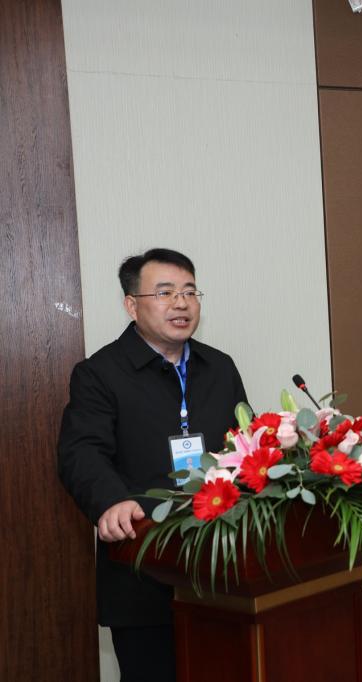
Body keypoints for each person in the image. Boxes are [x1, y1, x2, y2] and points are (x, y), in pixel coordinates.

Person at [58, 248, 247, 682]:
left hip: (221, 568)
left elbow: (244, 443)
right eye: (165, 292)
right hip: (143, 564)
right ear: (132, 304)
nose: (181, 303)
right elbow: (81, 451)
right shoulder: (100, 373)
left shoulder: (219, 367)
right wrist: (111, 501)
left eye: (189, 292)